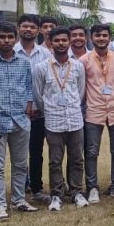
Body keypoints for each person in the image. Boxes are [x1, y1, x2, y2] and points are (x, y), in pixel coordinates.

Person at [0, 21, 36, 220]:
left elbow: (28, 88)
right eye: (2, 37)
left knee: (20, 165)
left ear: (16, 38)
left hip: (20, 121)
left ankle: (18, 200)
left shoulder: (24, 62)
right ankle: (0, 205)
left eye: (10, 37)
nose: (7, 40)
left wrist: (27, 111)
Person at [32, 26, 87, 211]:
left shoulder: (78, 66)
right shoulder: (41, 68)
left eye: (64, 40)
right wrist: (49, 110)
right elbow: (38, 95)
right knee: (55, 161)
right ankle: (56, 194)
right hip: (53, 121)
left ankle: (77, 191)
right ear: (50, 42)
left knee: (77, 159)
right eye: (57, 40)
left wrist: (72, 107)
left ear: (69, 41)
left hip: (75, 120)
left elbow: (80, 92)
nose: (61, 43)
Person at [82, 23, 114, 203]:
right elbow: (81, 86)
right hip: (94, 110)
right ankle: (92, 188)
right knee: (91, 151)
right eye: (97, 35)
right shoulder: (84, 60)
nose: (101, 38)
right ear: (91, 38)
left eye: (104, 35)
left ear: (110, 38)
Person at [14, 14, 53, 202]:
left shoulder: (46, 54)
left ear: (38, 31)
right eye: (25, 26)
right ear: (18, 28)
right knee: (19, 154)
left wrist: (40, 106)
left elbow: (49, 83)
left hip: (40, 112)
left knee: (37, 151)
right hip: (18, 112)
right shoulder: (11, 52)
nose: (28, 29)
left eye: (32, 27)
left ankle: (36, 188)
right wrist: (24, 107)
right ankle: (20, 188)